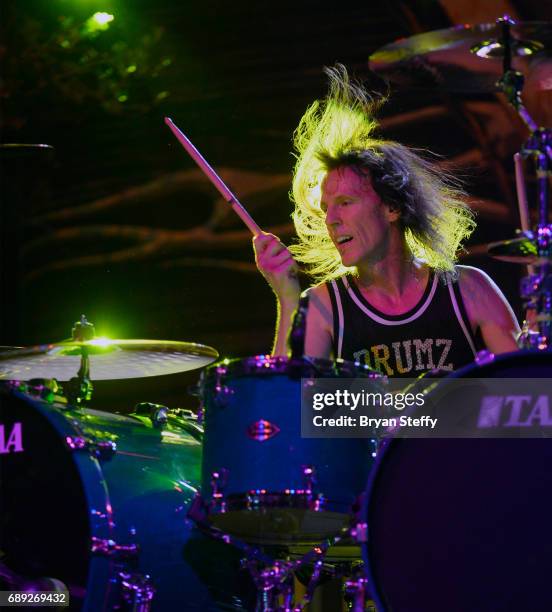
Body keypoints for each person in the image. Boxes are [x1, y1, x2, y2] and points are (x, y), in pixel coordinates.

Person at [253, 65, 519, 376]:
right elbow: (284, 407)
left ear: (392, 207)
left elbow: (529, 396)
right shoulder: (322, 306)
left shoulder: (468, 289)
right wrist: (287, 299)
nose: (332, 220)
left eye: (345, 203)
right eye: (326, 208)